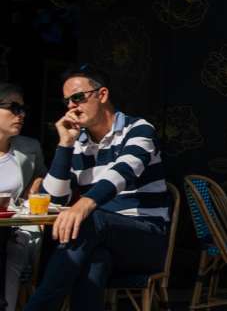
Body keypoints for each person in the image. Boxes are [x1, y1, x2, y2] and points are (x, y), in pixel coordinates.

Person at [25, 64, 171, 311]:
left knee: (90, 221)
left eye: (78, 98)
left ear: (102, 95)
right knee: (95, 259)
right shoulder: (79, 144)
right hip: (99, 240)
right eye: (67, 101)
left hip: (146, 238)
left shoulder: (138, 129)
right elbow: (55, 199)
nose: (71, 106)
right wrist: (64, 144)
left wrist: (84, 204)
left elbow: (124, 171)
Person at [0, 83, 45, 311]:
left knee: (15, 249)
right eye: (14, 107)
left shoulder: (30, 148)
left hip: (13, 228)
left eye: (23, 108)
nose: (21, 114)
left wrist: (37, 184)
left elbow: (42, 177)